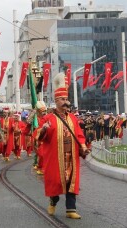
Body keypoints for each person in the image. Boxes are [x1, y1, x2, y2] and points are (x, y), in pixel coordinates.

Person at [38, 72, 90, 219]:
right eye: (62, 99)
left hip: (71, 156)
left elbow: (79, 135)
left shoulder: (73, 118)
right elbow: (39, 136)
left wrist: (83, 146)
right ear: (56, 101)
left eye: (67, 99)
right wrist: (44, 129)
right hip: (56, 157)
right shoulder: (48, 118)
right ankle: (53, 200)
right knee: (56, 182)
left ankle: (71, 209)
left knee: (71, 182)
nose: (66, 102)